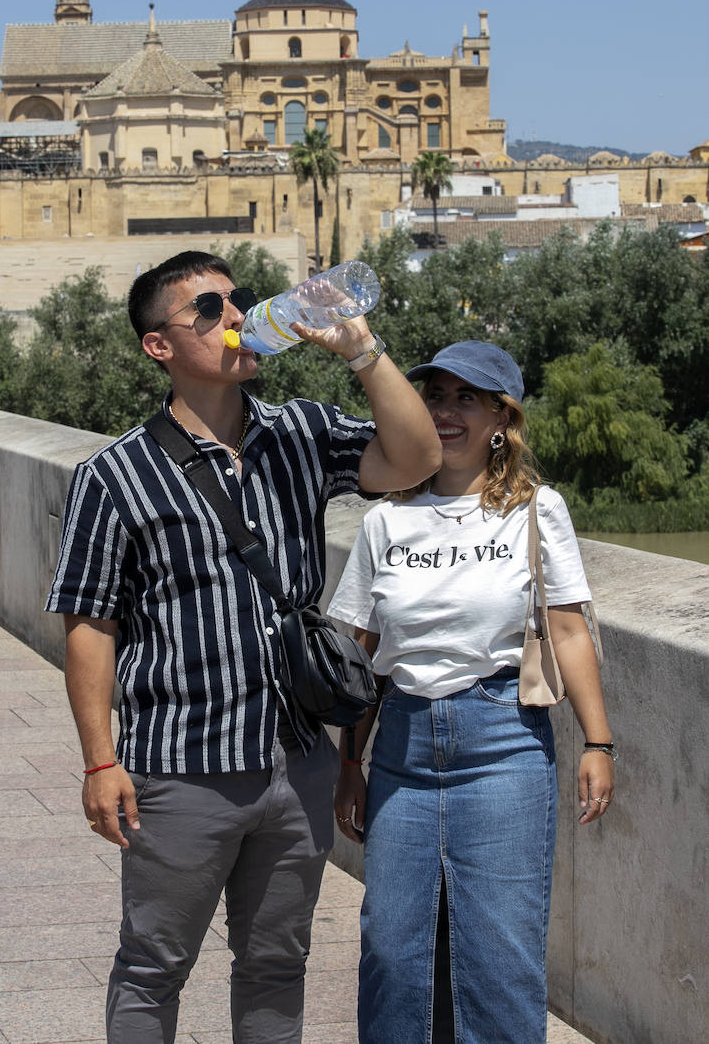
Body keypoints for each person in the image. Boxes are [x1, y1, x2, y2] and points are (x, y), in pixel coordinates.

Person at [45, 250, 441, 1044]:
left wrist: (361, 351)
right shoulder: (114, 475)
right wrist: (99, 760)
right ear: (160, 346)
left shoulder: (300, 431)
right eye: (209, 310)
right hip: (180, 765)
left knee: (275, 964)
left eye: (239, 302)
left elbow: (417, 458)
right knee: (154, 967)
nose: (234, 318)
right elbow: (90, 625)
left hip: (295, 759)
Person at [330, 340, 615, 1044]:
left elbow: (569, 631)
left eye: (466, 398)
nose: (445, 411)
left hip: (504, 742)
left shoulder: (534, 511)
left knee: (498, 957)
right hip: (400, 745)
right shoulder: (385, 522)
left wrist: (598, 742)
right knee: (392, 953)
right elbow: (359, 657)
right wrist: (348, 764)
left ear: (500, 418)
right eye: (436, 395)